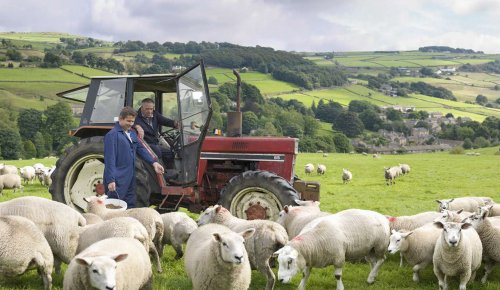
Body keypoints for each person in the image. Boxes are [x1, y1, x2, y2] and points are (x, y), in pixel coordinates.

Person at [104, 106, 164, 208]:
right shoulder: (112, 135)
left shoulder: (132, 133)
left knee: (130, 205)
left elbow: (141, 149)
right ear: (120, 119)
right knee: (114, 207)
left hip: (131, 177)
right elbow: (110, 159)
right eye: (128, 121)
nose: (130, 124)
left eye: (132, 121)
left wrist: (154, 163)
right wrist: (110, 180)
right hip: (118, 178)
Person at [134, 98, 178, 165]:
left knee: (169, 152)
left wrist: (176, 123)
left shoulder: (155, 114)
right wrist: (137, 126)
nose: (149, 111)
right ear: (142, 108)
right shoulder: (135, 117)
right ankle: (159, 172)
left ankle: (169, 172)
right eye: (147, 109)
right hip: (145, 143)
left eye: (151, 109)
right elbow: (128, 123)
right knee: (158, 152)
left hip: (155, 142)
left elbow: (165, 121)